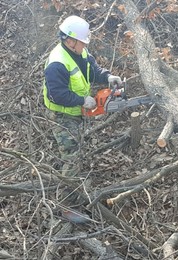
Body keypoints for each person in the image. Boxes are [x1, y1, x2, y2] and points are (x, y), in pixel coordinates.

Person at [43, 15, 122, 222]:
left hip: (75, 113)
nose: (85, 44)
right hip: (62, 116)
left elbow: (93, 70)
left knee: (72, 154)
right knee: (71, 157)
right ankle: (68, 207)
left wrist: (107, 77)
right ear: (70, 40)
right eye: (82, 41)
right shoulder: (57, 62)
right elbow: (56, 94)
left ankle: (69, 183)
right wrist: (81, 100)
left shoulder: (80, 52)